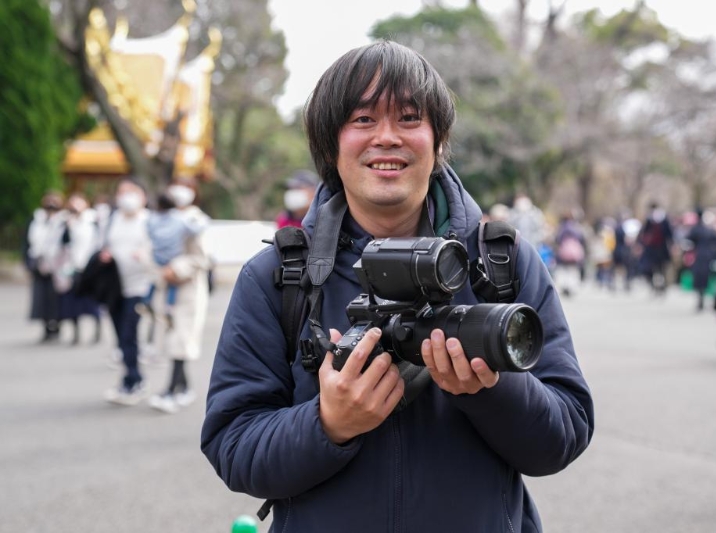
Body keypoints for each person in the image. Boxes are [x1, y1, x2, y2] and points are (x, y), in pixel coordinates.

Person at [201, 41, 593, 532]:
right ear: (329, 144)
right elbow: (233, 445)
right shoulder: (279, 276)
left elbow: (564, 433)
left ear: (438, 141)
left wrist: (493, 389)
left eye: (409, 119)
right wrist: (328, 423)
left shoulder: (502, 261)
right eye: (363, 119)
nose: (387, 137)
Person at [147, 178, 211, 414]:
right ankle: (184, 387)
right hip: (165, 286)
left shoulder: (195, 221)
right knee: (171, 339)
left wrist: (177, 269)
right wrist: (159, 270)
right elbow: (149, 250)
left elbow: (202, 258)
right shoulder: (158, 218)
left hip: (187, 288)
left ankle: (171, 390)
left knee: (180, 340)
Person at [101, 178, 153, 405]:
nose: (126, 196)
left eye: (131, 191)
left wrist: (144, 255)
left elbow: (158, 249)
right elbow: (104, 244)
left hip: (140, 286)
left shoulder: (149, 221)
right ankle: (129, 377)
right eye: (122, 192)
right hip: (115, 286)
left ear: (143, 196)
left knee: (128, 334)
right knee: (119, 335)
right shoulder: (113, 219)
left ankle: (134, 380)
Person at [137, 191, 204, 326]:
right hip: (173, 258)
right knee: (172, 283)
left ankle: (146, 301)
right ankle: (169, 308)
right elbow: (195, 230)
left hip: (158, 257)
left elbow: (148, 232)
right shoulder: (180, 218)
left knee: (155, 281)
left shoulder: (153, 219)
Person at [51, 192, 103, 344]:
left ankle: (97, 329)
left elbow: (98, 243)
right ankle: (76, 332)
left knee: (92, 301)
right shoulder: (67, 222)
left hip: (90, 266)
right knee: (73, 301)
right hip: (73, 266)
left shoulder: (93, 221)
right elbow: (62, 243)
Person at [23, 191, 65, 342]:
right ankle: (46, 327)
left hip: (57, 265)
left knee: (57, 298)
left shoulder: (63, 221)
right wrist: (27, 262)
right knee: (41, 298)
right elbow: (27, 242)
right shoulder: (36, 220)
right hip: (39, 262)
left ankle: (57, 325)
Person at [686, 208, 716, 311]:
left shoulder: (695, 229)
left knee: (699, 277)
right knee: (706, 277)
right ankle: (703, 297)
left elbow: (688, 243)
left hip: (698, 256)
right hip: (709, 256)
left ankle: (701, 298)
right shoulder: (709, 229)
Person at [637, 201, 674, 295]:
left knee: (655, 268)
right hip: (660, 248)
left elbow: (643, 233)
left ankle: (657, 286)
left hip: (654, 248)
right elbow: (670, 234)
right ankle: (659, 286)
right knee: (659, 268)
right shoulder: (662, 219)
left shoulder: (652, 220)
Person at [553, 210, 587, 297]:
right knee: (573, 270)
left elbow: (557, 239)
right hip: (574, 253)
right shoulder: (576, 227)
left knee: (562, 269)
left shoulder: (562, 228)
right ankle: (572, 287)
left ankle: (563, 287)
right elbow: (582, 239)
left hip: (563, 252)